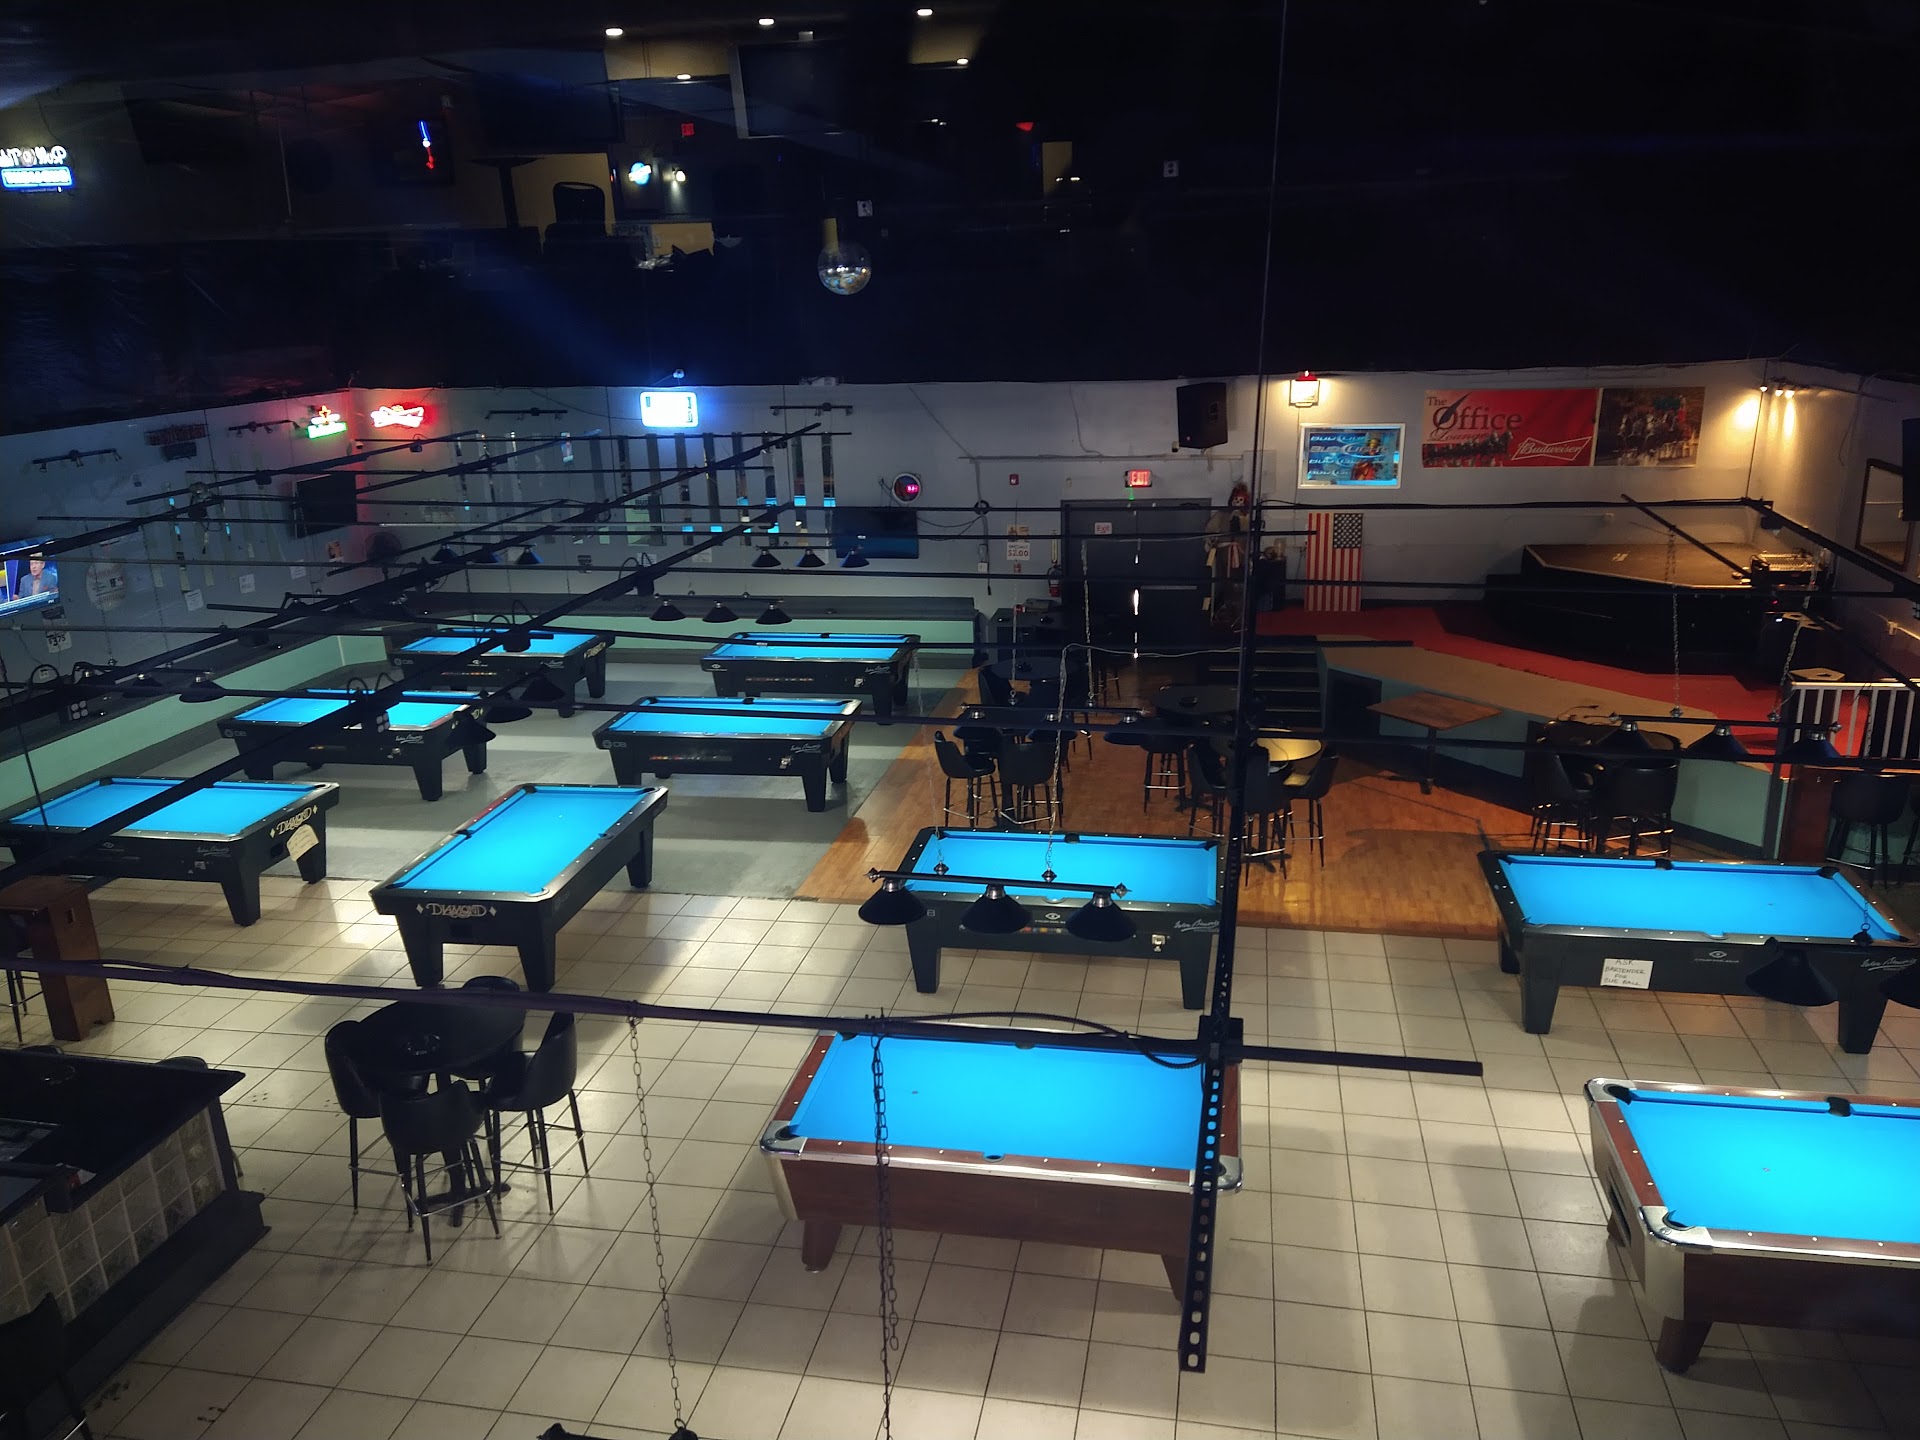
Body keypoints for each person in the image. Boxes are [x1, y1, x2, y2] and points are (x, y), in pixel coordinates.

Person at [1203, 482, 1252, 629]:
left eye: (1241, 500)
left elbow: (1248, 536)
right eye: (1236, 500)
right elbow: (1210, 530)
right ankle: (1223, 609)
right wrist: (1212, 541)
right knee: (1223, 581)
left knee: (1239, 583)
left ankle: (1239, 613)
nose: (1238, 503)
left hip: (1240, 555)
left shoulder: (1247, 517)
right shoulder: (1222, 515)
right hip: (1224, 554)